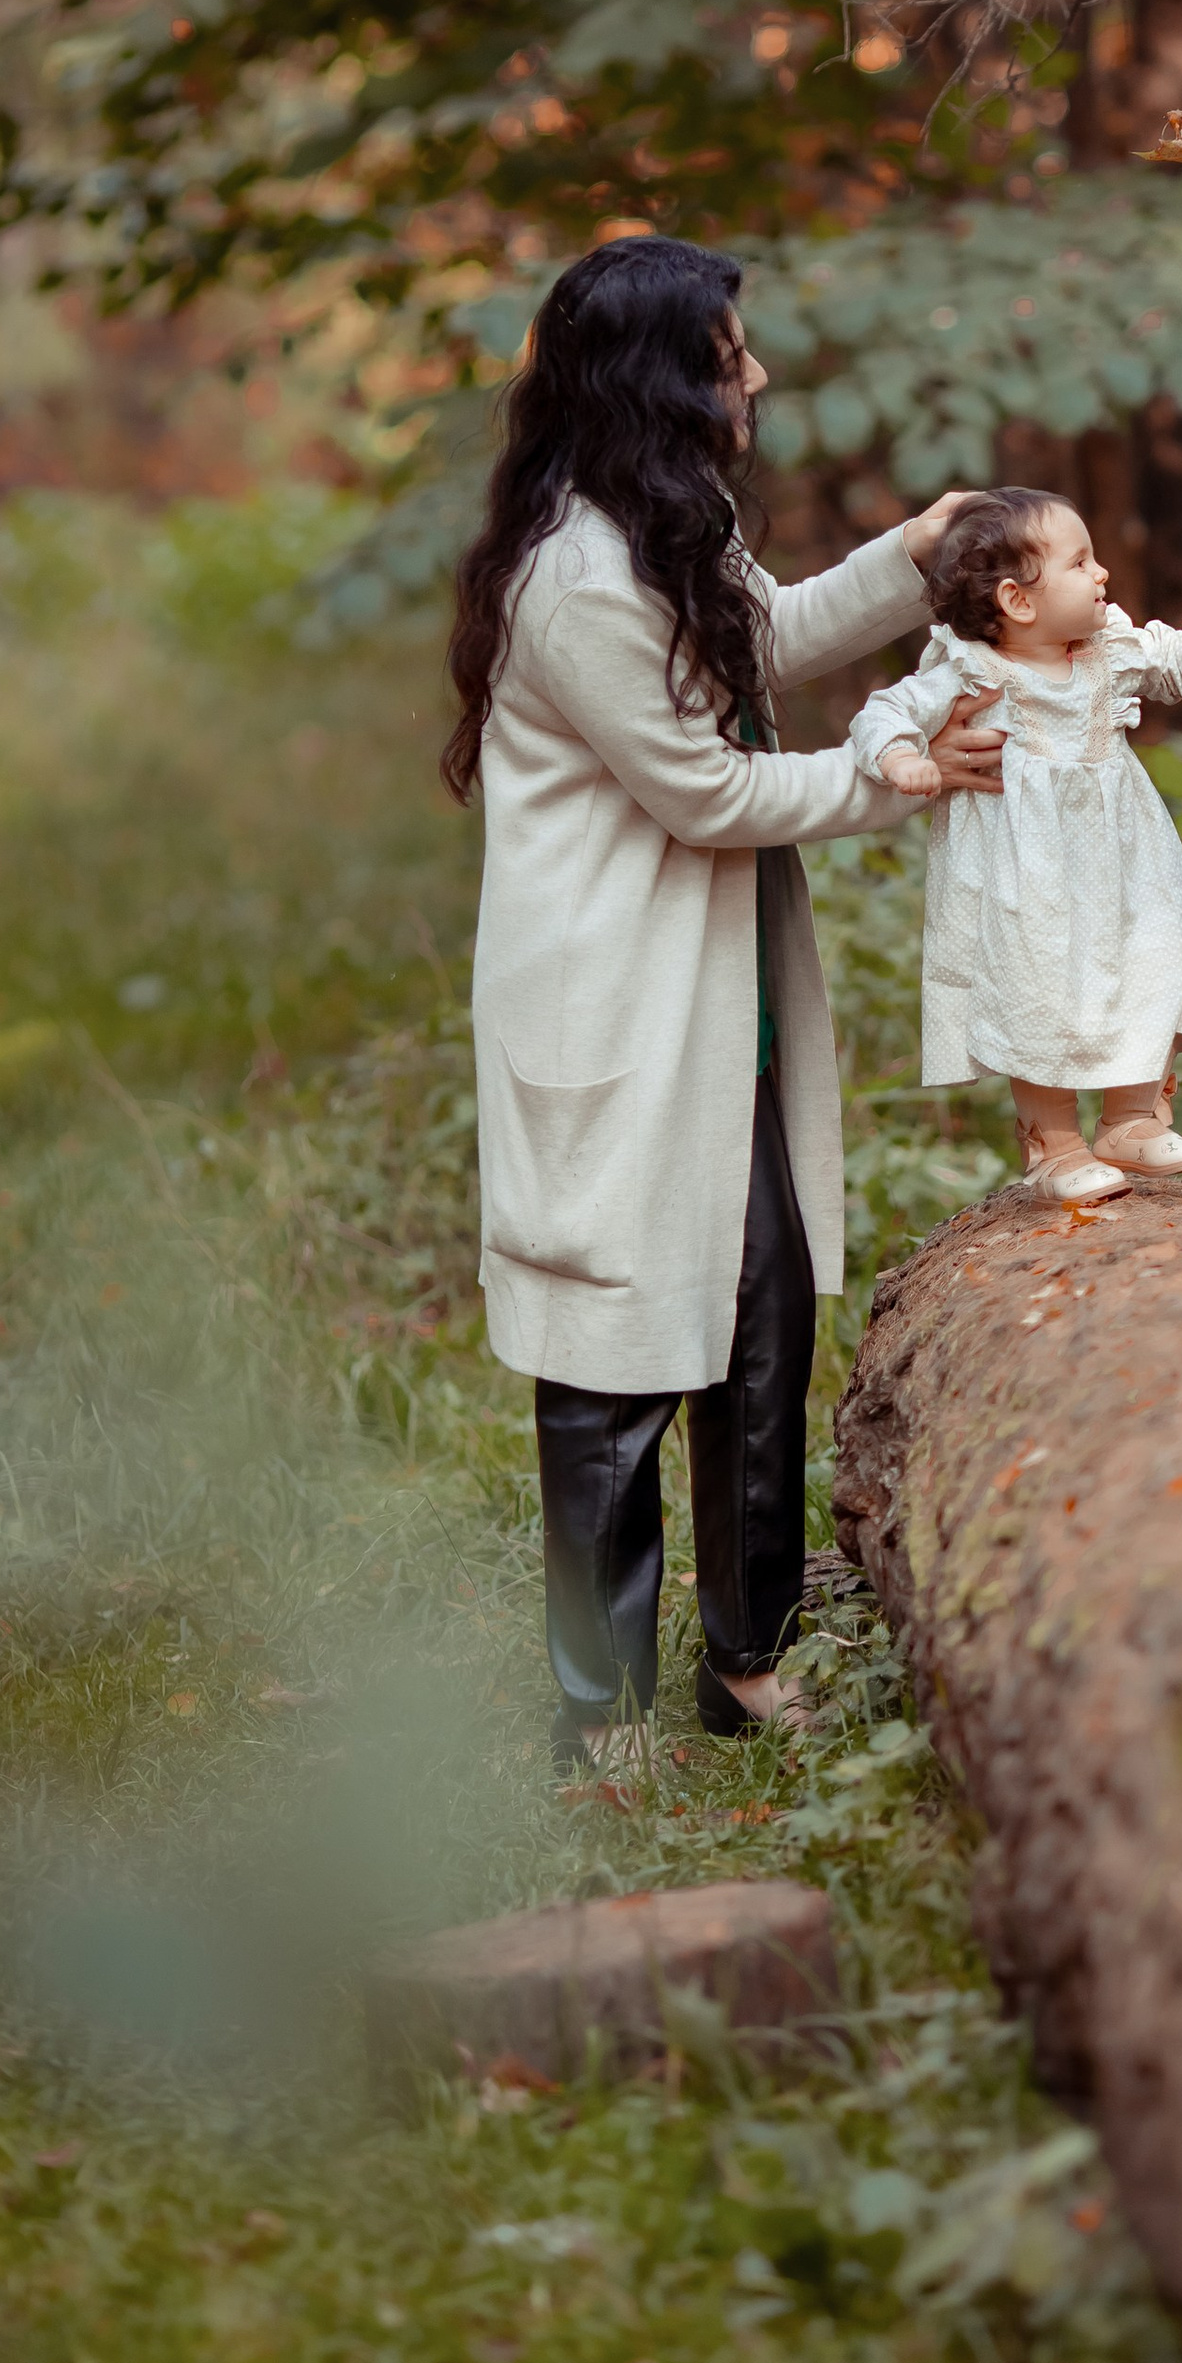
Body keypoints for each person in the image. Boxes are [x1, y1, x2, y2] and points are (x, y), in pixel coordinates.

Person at [442, 234, 1004, 1762]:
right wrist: (902, 776)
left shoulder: (668, 520)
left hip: (718, 991)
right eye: (726, 352)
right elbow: (702, 791)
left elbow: (767, 636)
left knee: (764, 1319)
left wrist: (915, 552)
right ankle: (599, 1714)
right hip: (616, 1001)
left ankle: (746, 1660)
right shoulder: (577, 574)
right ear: (658, 380)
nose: (754, 371)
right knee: (612, 1367)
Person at [848, 488, 1182, 1201]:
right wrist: (898, 756)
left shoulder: (1111, 651)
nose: (1101, 573)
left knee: (1153, 960)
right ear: (1017, 601)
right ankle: (1055, 1144)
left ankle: (1132, 1119)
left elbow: (1178, 650)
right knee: (1037, 992)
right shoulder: (974, 672)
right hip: (1026, 880)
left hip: (1127, 867)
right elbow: (887, 710)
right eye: (1080, 562)